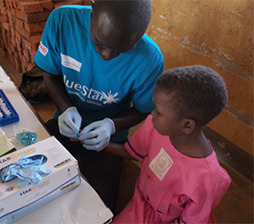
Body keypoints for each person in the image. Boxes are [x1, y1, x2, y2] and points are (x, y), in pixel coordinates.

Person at [34, 0, 164, 212]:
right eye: (99, 43)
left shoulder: (150, 60)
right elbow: (50, 74)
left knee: (94, 209)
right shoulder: (63, 21)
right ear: (93, 9)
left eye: (120, 51)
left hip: (107, 141)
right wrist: (66, 108)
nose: (106, 56)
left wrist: (111, 126)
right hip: (64, 123)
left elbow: (143, 109)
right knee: (30, 181)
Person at [101, 65, 232, 223]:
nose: (152, 113)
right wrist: (100, 144)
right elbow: (132, 152)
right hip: (139, 205)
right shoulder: (157, 128)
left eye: (158, 111)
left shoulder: (207, 179)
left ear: (187, 125)